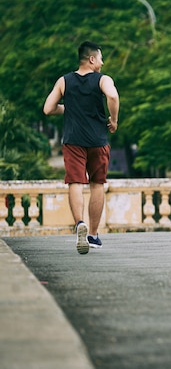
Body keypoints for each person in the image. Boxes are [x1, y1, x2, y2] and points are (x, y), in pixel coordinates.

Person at [43, 40, 120, 254]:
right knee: (97, 184)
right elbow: (112, 96)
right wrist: (113, 120)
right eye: (101, 58)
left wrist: (69, 108)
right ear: (92, 59)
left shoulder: (64, 81)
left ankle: (79, 224)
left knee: (75, 182)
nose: (102, 63)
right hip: (97, 140)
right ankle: (93, 235)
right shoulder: (103, 79)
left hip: (73, 140)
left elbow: (48, 108)